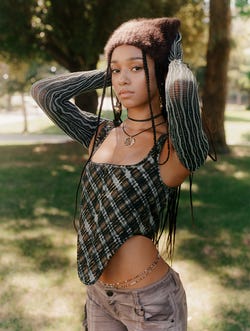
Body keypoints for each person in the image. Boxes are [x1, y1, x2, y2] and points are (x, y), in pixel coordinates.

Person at [31, 17, 209, 331]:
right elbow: (45, 92)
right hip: (99, 294)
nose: (123, 80)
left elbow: (181, 91)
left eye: (136, 68)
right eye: (117, 70)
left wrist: (173, 62)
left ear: (161, 72)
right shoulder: (99, 133)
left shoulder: (172, 149)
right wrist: (111, 71)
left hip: (150, 304)